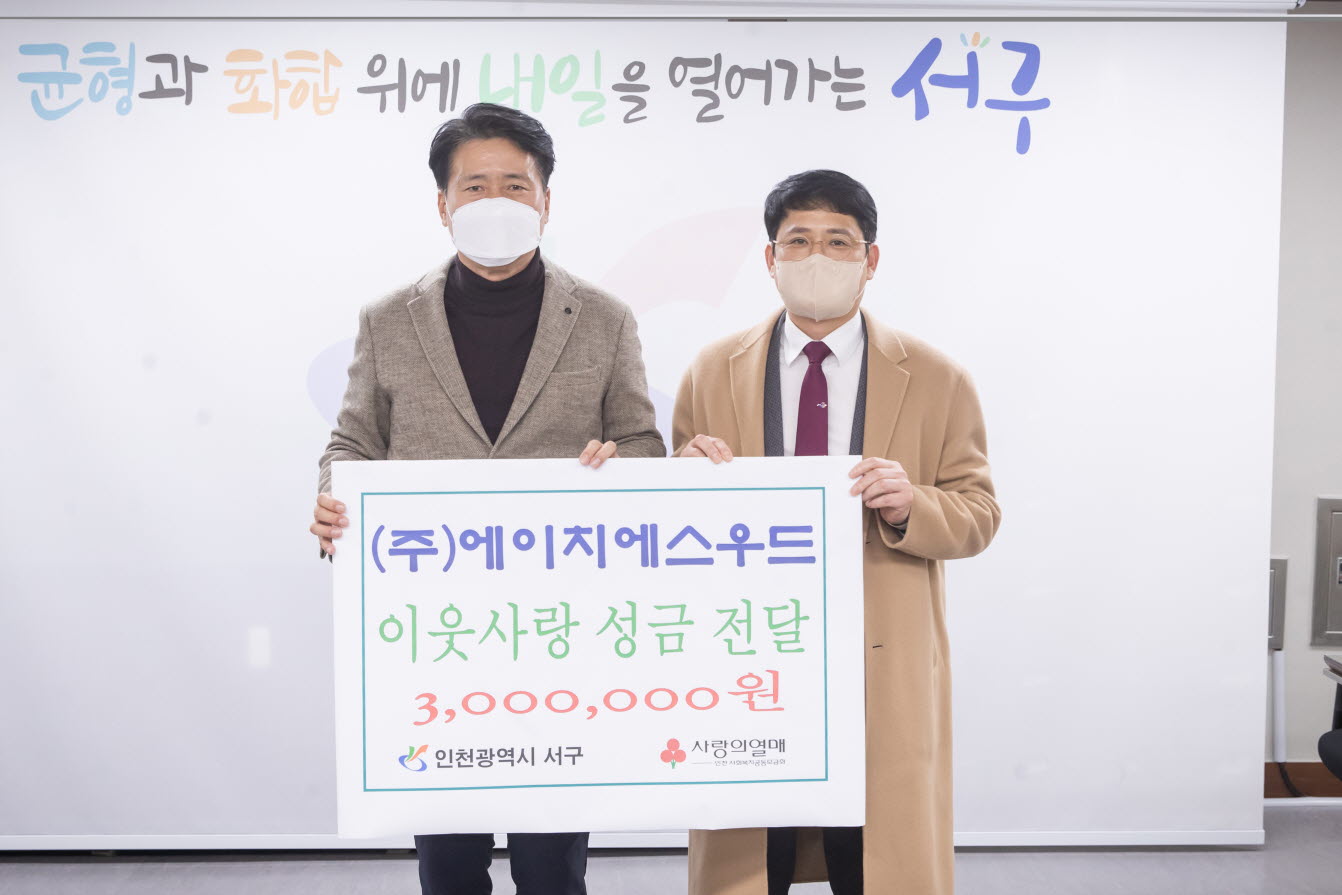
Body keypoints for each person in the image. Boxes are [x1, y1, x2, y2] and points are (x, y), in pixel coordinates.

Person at [310, 102, 665, 895]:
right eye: (475, 186)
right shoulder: (388, 319)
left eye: (515, 184)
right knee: (447, 862)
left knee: (550, 865)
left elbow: (643, 442)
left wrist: (621, 463)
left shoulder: (604, 318)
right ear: (443, 204)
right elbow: (352, 444)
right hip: (434, 635)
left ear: (546, 200)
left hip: (559, 629)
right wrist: (335, 499)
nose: (495, 201)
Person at [673, 169, 1000, 895]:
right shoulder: (712, 370)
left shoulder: (937, 377)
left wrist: (911, 506)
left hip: (878, 644)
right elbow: (675, 521)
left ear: (870, 259)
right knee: (755, 844)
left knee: (875, 852)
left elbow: (979, 512)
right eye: (798, 241)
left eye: (838, 242)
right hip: (753, 641)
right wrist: (682, 480)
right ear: (770, 258)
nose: (816, 257)